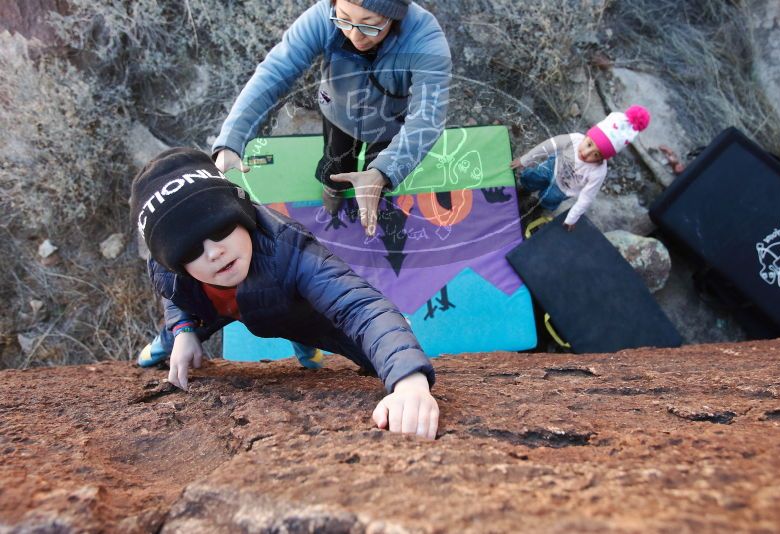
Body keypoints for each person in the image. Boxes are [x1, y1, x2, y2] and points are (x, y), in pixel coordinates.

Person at [131, 148, 439, 439]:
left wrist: (408, 380)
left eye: (219, 228)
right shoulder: (168, 271)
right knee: (177, 338)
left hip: (290, 306)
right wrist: (183, 330)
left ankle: (303, 339)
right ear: (173, 261)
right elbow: (174, 293)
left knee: (373, 351)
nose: (214, 252)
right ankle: (167, 340)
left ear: (241, 213)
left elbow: (361, 307)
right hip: (213, 309)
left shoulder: (289, 249)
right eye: (189, 248)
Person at [213, 0, 451, 237]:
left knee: (377, 172)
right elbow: (275, 72)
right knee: (335, 164)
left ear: (394, 18)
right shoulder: (323, 17)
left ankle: (372, 192)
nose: (354, 35)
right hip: (337, 116)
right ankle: (334, 189)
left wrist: (384, 172)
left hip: (388, 127)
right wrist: (232, 139)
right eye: (344, 18)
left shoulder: (425, 39)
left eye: (370, 26)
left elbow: (428, 116)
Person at [510, 106, 651, 231]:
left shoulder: (598, 172)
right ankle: (524, 190)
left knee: (549, 199)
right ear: (587, 136)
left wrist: (572, 218)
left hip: (563, 188)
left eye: (596, 155)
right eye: (589, 145)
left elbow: (586, 197)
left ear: (603, 158)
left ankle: (536, 208)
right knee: (532, 177)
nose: (586, 153)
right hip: (550, 168)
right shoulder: (575, 139)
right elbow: (549, 145)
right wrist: (525, 159)